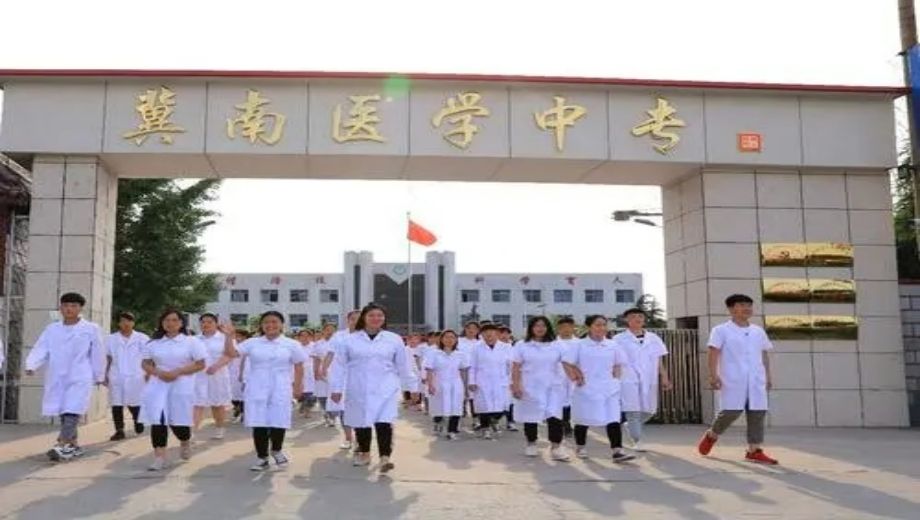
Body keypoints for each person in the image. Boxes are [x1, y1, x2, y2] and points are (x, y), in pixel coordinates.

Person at [329, 303, 417, 473]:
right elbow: (339, 366)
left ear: (384, 318)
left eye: (379, 315)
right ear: (364, 318)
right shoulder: (350, 340)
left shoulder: (394, 339)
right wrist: (336, 389)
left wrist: (412, 388)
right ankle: (365, 453)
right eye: (371, 315)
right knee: (362, 422)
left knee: (384, 422)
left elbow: (403, 366)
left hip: (385, 387)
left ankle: (385, 457)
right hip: (358, 386)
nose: (376, 319)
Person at [697, 294, 778, 465]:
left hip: (756, 379)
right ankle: (712, 435)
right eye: (742, 305)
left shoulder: (758, 331)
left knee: (757, 413)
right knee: (731, 412)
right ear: (731, 309)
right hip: (733, 378)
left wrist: (767, 375)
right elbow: (713, 352)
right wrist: (713, 375)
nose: (747, 308)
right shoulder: (721, 330)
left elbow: (763, 354)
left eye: (749, 305)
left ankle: (754, 451)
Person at [25, 292, 106, 461]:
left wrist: (99, 374)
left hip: (79, 375)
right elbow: (41, 347)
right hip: (57, 375)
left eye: (73, 306)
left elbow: (98, 353)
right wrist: (32, 365)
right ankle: (73, 445)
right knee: (64, 410)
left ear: (80, 308)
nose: (69, 309)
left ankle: (61, 444)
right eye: (66, 305)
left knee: (72, 409)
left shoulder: (90, 329)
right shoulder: (52, 329)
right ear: (60, 308)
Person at [221, 311, 305, 471]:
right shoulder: (253, 342)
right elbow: (231, 353)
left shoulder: (291, 344)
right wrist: (228, 336)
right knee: (258, 421)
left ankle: (277, 450)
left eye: (274, 322)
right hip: (257, 385)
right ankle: (262, 457)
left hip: (280, 385)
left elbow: (299, 366)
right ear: (261, 325)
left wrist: (298, 386)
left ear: (281, 324)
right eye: (266, 322)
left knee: (279, 419)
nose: (270, 325)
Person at [140, 309, 207, 471]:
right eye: (167, 320)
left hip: (182, 383)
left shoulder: (191, 342)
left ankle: (185, 440)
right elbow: (145, 363)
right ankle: (159, 457)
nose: (170, 323)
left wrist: (178, 372)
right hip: (158, 383)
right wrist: (158, 372)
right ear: (162, 323)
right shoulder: (153, 343)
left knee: (178, 421)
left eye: (174, 320)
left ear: (181, 323)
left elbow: (201, 364)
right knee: (158, 419)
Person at [562, 315, 635, 463]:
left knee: (613, 418)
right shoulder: (579, 345)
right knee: (583, 418)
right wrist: (575, 377)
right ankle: (581, 447)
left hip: (609, 388)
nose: (601, 328)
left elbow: (618, 363)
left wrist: (615, 379)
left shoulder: (612, 345)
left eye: (604, 325)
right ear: (589, 327)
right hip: (586, 387)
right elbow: (566, 362)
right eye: (597, 325)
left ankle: (617, 451)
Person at [511, 316, 571, 461]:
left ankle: (556, 447)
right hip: (530, 386)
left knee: (554, 416)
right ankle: (531, 443)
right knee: (530, 416)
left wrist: (577, 377)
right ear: (531, 328)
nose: (540, 328)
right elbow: (516, 366)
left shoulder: (557, 344)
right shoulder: (522, 345)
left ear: (548, 328)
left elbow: (567, 363)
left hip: (553, 386)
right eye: (536, 325)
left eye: (543, 325)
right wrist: (516, 385)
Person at [612, 308, 672, 452]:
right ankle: (637, 441)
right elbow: (614, 361)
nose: (637, 319)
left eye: (640, 316)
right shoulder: (618, 339)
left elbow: (659, 360)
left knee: (650, 410)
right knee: (632, 410)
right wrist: (614, 380)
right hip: (627, 378)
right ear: (626, 320)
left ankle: (630, 425)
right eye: (633, 316)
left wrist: (664, 377)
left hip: (649, 378)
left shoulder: (654, 338)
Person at [105, 311, 150, 440]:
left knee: (134, 402)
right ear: (119, 323)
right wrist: (104, 374)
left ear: (133, 323)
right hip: (116, 375)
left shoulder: (142, 338)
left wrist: (149, 373)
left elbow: (149, 358)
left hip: (136, 375)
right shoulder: (111, 339)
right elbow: (108, 357)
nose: (126, 323)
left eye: (129, 321)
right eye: (123, 321)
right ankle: (119, 430)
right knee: (116, 404)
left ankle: (138, 420)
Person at [320, 310, 361, 451]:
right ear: (348, 320)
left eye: (359, 319)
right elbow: (330, 353)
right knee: (343, 409)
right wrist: (324, 368)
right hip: (340, 377)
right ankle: (348, 438)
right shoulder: (339, 336)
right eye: (353, 319)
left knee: (359, 409)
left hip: (361, 378)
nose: (356, 321)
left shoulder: (367, 336)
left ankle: (360, 440)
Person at [467, 323, 513, 440]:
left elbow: (511, 365)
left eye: (492, 333)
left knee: (502, 407)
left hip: (501, 381)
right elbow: (473, 366)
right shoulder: (476, 348)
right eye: (486, 334)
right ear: (482, 335)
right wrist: (471, 381)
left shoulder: (506, 347)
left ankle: (494, 420)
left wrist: (512, 380)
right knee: (484, 407)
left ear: (497, 334)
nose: (489, 336)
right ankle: (485, 429)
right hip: (482, 381)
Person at [424, 329, 469, 440]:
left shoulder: (460, 354)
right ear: (441, 339)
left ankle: (452, 430)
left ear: (456, 340)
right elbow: (429, 370)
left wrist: (466, 387)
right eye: (447, 337)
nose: (449, 340)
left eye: (452, 337)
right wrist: (430, 385)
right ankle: (438, 422)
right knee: (439, 406)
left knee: (456, 407)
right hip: (439, 382)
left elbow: (464, 371)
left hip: (456, 383)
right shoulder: (434, 353)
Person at [193, 313, 233, 439]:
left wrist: (216, 366)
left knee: (217, 404)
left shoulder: (224, 338)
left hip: (218, 375)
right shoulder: (194, 339)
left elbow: (230, 354)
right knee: (197, 403)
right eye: (203, 322)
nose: (206, 324)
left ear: (216, 324)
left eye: (209, 322)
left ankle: (219, 428)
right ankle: (192, 432)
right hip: (198, 375)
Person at [554, 316, 579, 437]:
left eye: (569, 326)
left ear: (573, 327)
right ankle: (564, 424)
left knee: (573, 400)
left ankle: (570, 423)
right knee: (561, 400)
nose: (566, 329)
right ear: (558, 328)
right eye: (563, 327)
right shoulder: (553, 343)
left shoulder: (579, 343)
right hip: (558, 376)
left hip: (575, 376)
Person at [312, 323, 336, 426]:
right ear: (323, 331)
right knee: (322, 396)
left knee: (333, 395)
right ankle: (326, 416)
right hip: (321, 371)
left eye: (332, 330)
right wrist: (315, 372)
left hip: (335, 371)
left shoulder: (338, 343)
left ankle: (333, 417)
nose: (330, 332)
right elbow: (316, 359)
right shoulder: (318, 344)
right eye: (327, 329)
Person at [497, 324, 519, 432]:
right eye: (502, 333)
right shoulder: (494, 347)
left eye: (507, 333)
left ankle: (510, 422)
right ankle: (495, 420)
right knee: (499, 401)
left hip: (510, 378)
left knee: (510, 402)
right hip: (497, 379)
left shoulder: (514, 348)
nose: (504, 335)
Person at [229, 329, 250, 423]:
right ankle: (237, 408)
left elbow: (244, 361)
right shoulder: (232, 344)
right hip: (231, 372)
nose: (237, 338)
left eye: (240, 336)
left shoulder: (248, 345)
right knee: (232, 394)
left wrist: (242, 373)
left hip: (244, 372)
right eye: (236, 336)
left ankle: (242, 412)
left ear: (245, 337)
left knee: (243, 394)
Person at [295, 329, 317, 418]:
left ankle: (307, 411)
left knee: (310, 393)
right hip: (298, 372)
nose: (305, 337)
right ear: (298, 337)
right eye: (302, 336)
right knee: (300, 393)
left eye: (307, 335)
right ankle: (302, 405)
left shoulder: (314, 346)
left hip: (311, 372)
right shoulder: (295, 346)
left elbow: (318, 359)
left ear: (311, 337)